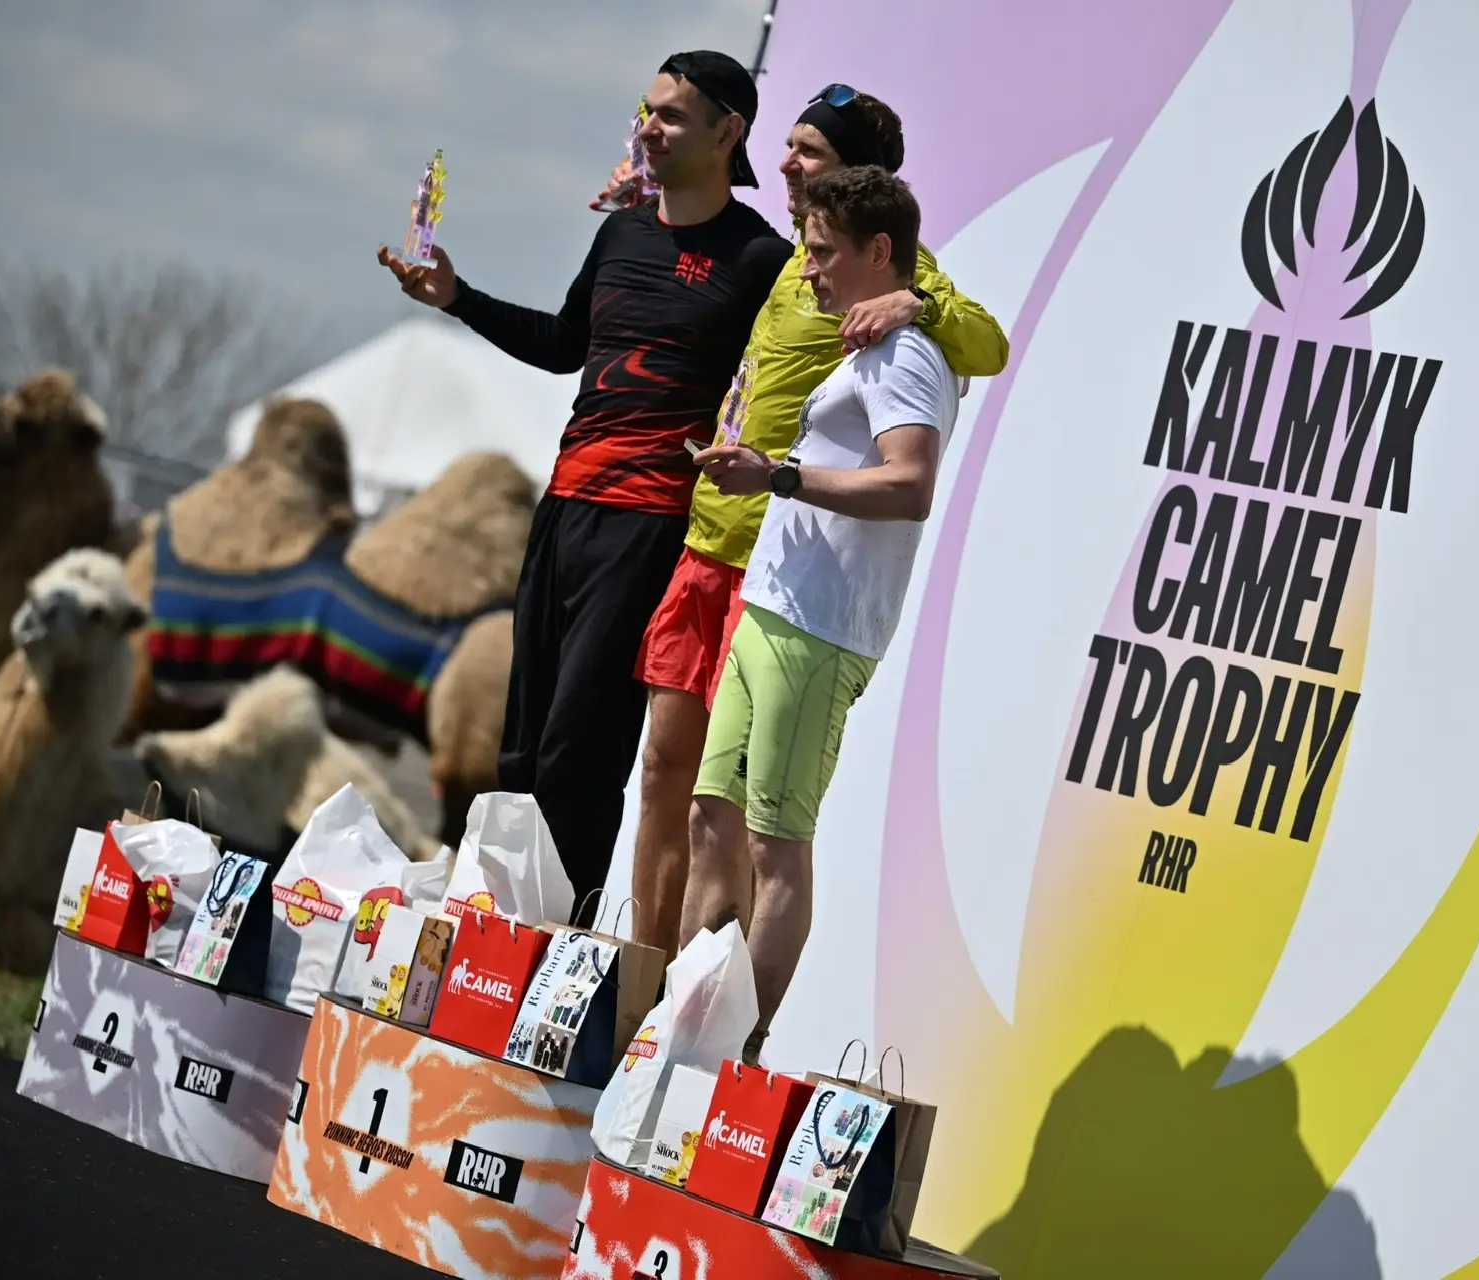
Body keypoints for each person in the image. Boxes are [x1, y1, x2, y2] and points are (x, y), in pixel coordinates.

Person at [378, 51, 793, 913]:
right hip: (564, 506)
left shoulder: (762, 258)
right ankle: (494, 931)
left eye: (672, 115)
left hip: (650, 526)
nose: (649, 127)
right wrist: (458, 298)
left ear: (728, 131)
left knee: (582, 750)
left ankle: (554, 950)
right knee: (522, 747)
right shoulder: (623, 232)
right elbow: (566, 344)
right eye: (648, 109)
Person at [614, 85, 1010, 960]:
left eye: (809, 152)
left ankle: (738, 1026)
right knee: (681, 787)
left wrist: (918, 305)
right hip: (730, 556)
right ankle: (656, 995)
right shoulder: (802, 257)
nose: (785, 164)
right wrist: (653, 209)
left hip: (800, 592)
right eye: (788, 147)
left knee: (768, 833)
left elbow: (986, 349)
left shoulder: (897, 296)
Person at [678, 166, 962, 1064]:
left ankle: (734, 1059)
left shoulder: (908, 357)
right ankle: (681, 1037)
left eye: (825, 253)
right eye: (806, 251)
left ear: (880, 252)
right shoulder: (866, 348)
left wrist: (781, 475)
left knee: (774, 846)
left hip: (822, 630)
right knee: (711, 820)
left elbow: (910, 485)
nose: (808, 270)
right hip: (773, 607)